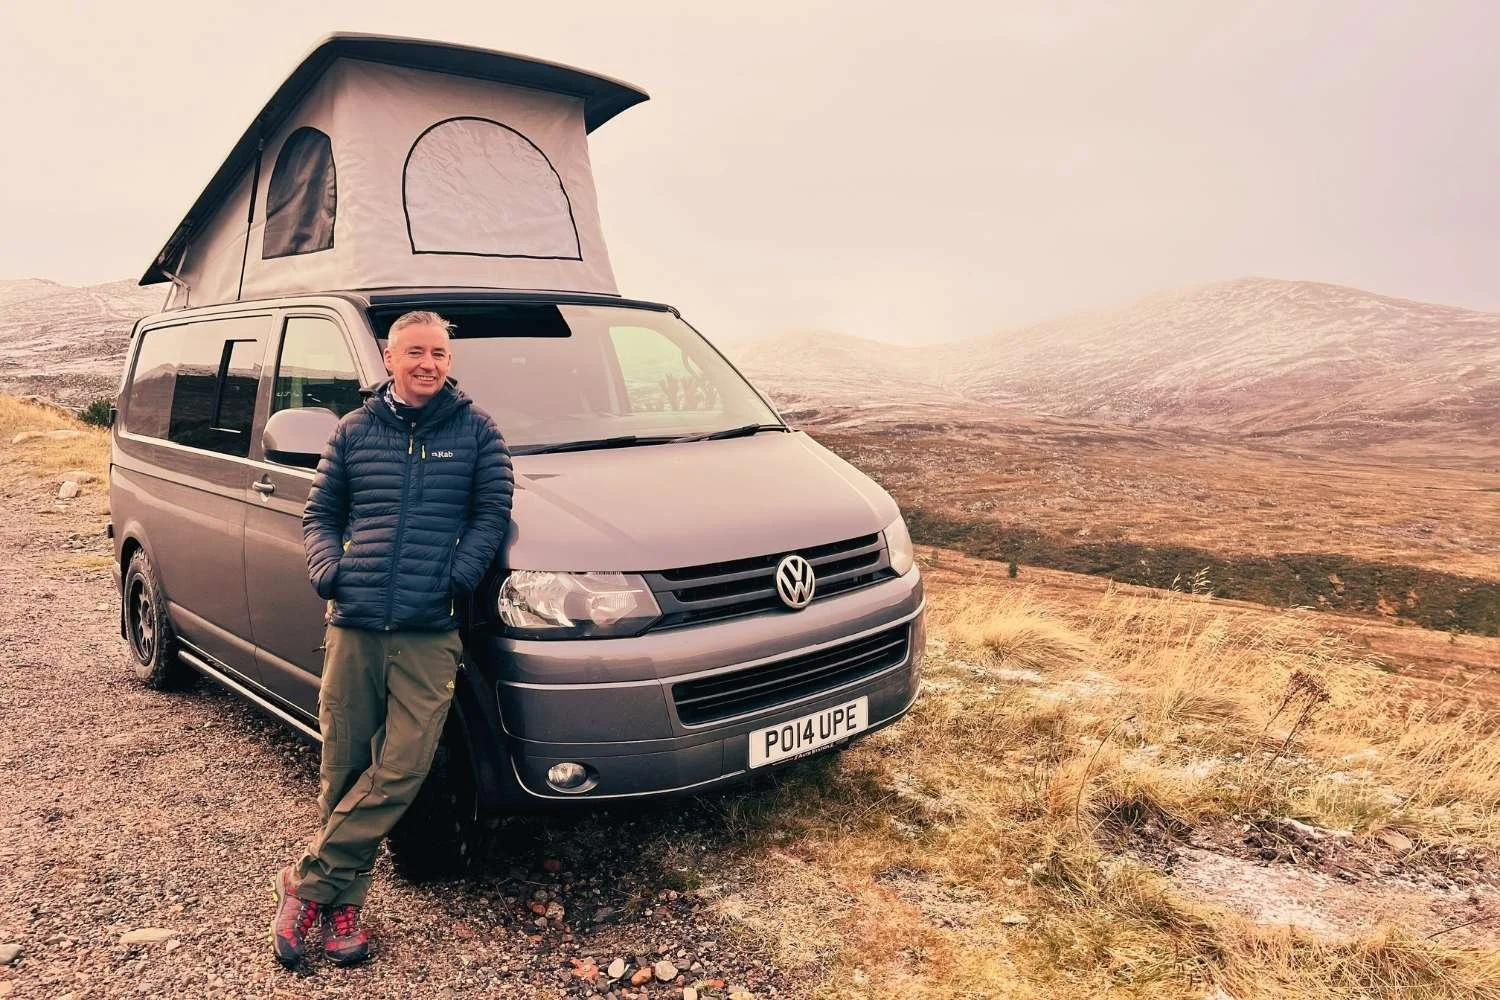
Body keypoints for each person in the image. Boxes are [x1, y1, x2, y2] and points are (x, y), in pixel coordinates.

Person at [270, 310, 513, 968]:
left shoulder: (477, 433)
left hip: (430, 628)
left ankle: (307, 886)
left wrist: (456, 578)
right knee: (344, 766)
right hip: (354, 622)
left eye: (437, 352)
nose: (427, 362)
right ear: (388, 358)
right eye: (414, 352)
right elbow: (320, 512)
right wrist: (328, 569)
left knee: (403, 766)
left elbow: (493, 512)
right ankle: (347, 906)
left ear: (449, 360)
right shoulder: (355, 431)